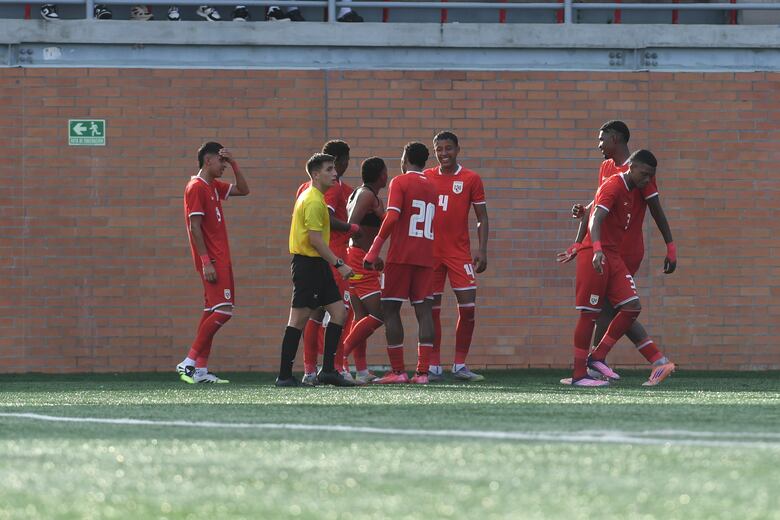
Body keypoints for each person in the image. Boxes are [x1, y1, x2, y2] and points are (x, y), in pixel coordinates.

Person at [559, 121, 676, 386]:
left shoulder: (639, 170)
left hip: (625, 250)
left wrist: (670, 245)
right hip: (604, 248)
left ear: (615, 138)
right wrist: (580, 237)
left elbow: (656, 209)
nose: (599, 144)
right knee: (607, 309)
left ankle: (596, 366)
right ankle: (649, 361)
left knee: (612, 308)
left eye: (602, 139)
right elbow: (598, 208)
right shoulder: (609, 170)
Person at [276, 153, 356, 387]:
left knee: (339, 312)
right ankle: (284, 376)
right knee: (298, 319)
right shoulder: (311, 200)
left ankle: (328, 371)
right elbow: (315, 240)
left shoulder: (317, 197)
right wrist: (339, 264)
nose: (335, 173)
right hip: (307, 266)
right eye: (329, 169)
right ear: (315, 174)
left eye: (334, 168)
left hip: (318, 265)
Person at [363, 142, 437, 385]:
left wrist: (374, 250)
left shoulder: (400, 181)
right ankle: (423, 373)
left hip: (402, 256)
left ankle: (398, 371)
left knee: (390, 309)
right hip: (427, 256)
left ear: (405, 159)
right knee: (424, 311)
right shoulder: (433, 186)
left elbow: (393, 216)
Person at [177, 142, 249, 384]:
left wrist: (234, 163)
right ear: (208, 161)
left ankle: (199, 370)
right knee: (224, 311)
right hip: (213, 259)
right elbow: (194, 227)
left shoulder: (213, 186)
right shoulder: (196, 187)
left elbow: (244, 190)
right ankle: (188, 362)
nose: (224, 167)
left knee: (211, 311)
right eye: (221, 162)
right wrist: (206, 261)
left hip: (221, 257)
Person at [423, 131, 489, 382]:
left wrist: (482, 249)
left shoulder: (471, 178)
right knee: (431, 311)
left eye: (448, 148)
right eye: (438, 149)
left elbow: (482, 218)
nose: (443, 154)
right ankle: (433, 364)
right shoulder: (427, 177)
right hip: (431, 255)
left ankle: (460, 365)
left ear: (458, 149)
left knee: (468, 308)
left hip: (459, 254)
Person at [296, 140, 360, 386]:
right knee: (339, 313)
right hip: (332, 256)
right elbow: (329, 220)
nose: (340, 168)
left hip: (316, 257)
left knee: (314, 315)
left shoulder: (310, 187)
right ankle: (336, 366)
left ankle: (311, 370)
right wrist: (352, 228)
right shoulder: (328, 188)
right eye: (339, 163)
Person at [341, 157, 388, 384]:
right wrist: (371, 253)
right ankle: (340, 355)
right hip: (360, 260)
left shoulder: (369, 195)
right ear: (381, 175)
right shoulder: (366, 194)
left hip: (360, 258)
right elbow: (351, 226)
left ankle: (361, 370)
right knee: (379, 314)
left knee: (360, 317)